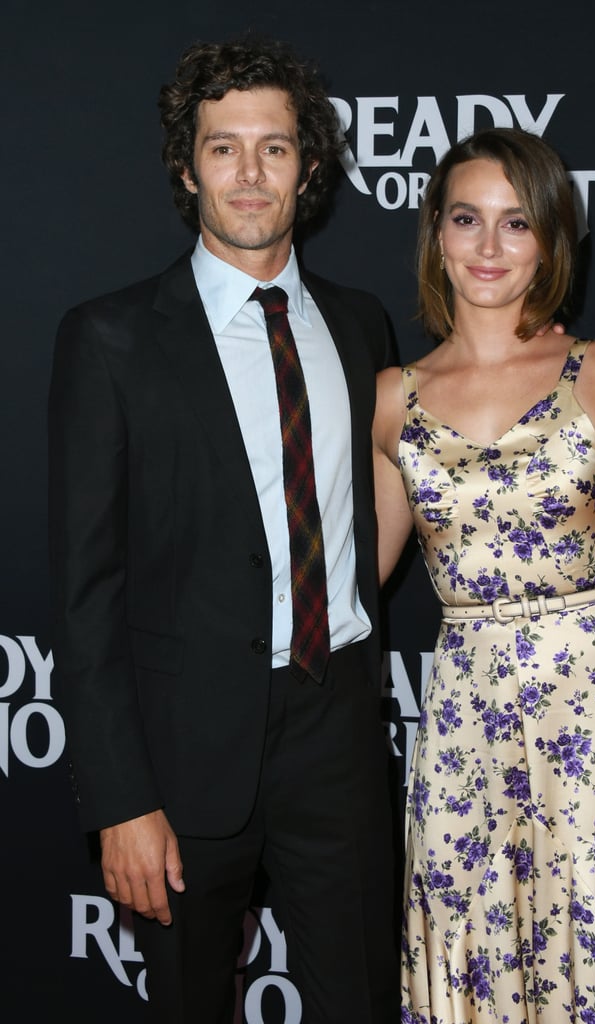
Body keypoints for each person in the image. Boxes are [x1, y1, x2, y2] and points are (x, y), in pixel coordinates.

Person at [48, 37, 397, 1023]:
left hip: (335, 730)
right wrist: (119, 796)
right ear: (186, 165)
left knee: (360, 1000)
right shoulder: (110, 337)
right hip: (181, 744)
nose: (250, 175)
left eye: (275, 149)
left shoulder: (362, 324)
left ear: (312, 167)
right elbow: (84, 591)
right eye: (223, 149)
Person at [372, 127, 595, 1022]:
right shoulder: (387, 400)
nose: (488, 248)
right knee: (475, 966)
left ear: (551, 241)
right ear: (435, 235)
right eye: (466, 219)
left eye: (516, 224)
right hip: (462, 742)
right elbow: (347, 579)